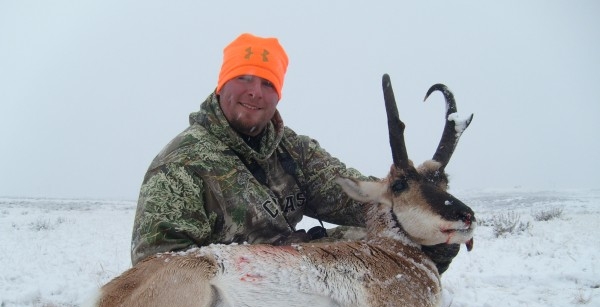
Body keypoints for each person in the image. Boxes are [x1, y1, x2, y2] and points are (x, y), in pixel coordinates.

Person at [131, 33, 459, 272]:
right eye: (243, 78)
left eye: (267, 84)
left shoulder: (291, 148)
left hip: (296, 268)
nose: (254, 93)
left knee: (396, 246)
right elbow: (155, 268)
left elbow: (348, 194)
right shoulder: (182, 164)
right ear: (222, 85)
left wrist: (415, 203)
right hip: (229, 294)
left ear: (278, 95)